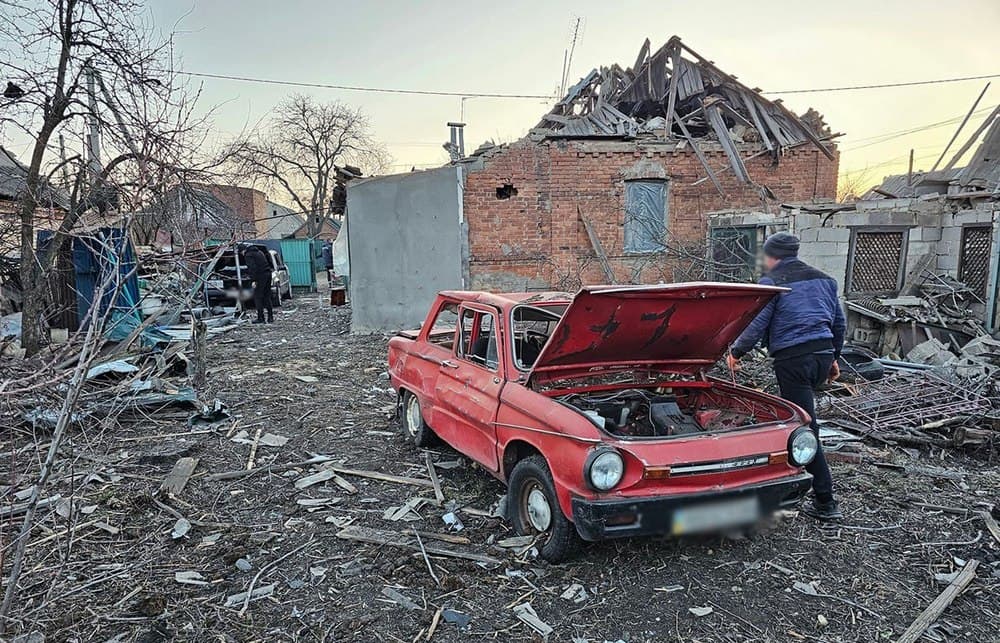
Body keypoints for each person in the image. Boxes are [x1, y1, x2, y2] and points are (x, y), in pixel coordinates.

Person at [727, 232, 846, 521]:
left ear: (771, 256)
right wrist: (833, 358)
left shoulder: (772, 282)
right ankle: (794, 479)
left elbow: (757, 324)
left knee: (805, 427)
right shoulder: (825, 279)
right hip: (820, 355)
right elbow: (838, 322)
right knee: (803, 420)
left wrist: (736, 353)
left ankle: (826, 502)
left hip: (793, 360)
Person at [243, 244, 274, 324]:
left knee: (258, 297)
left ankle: (261, 318)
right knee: (267, 296)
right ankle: (270, 317)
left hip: (260, 276)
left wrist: (253, 280)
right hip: (268, 274)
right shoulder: (260, 252)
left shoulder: (248, 255)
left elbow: (252, 268)